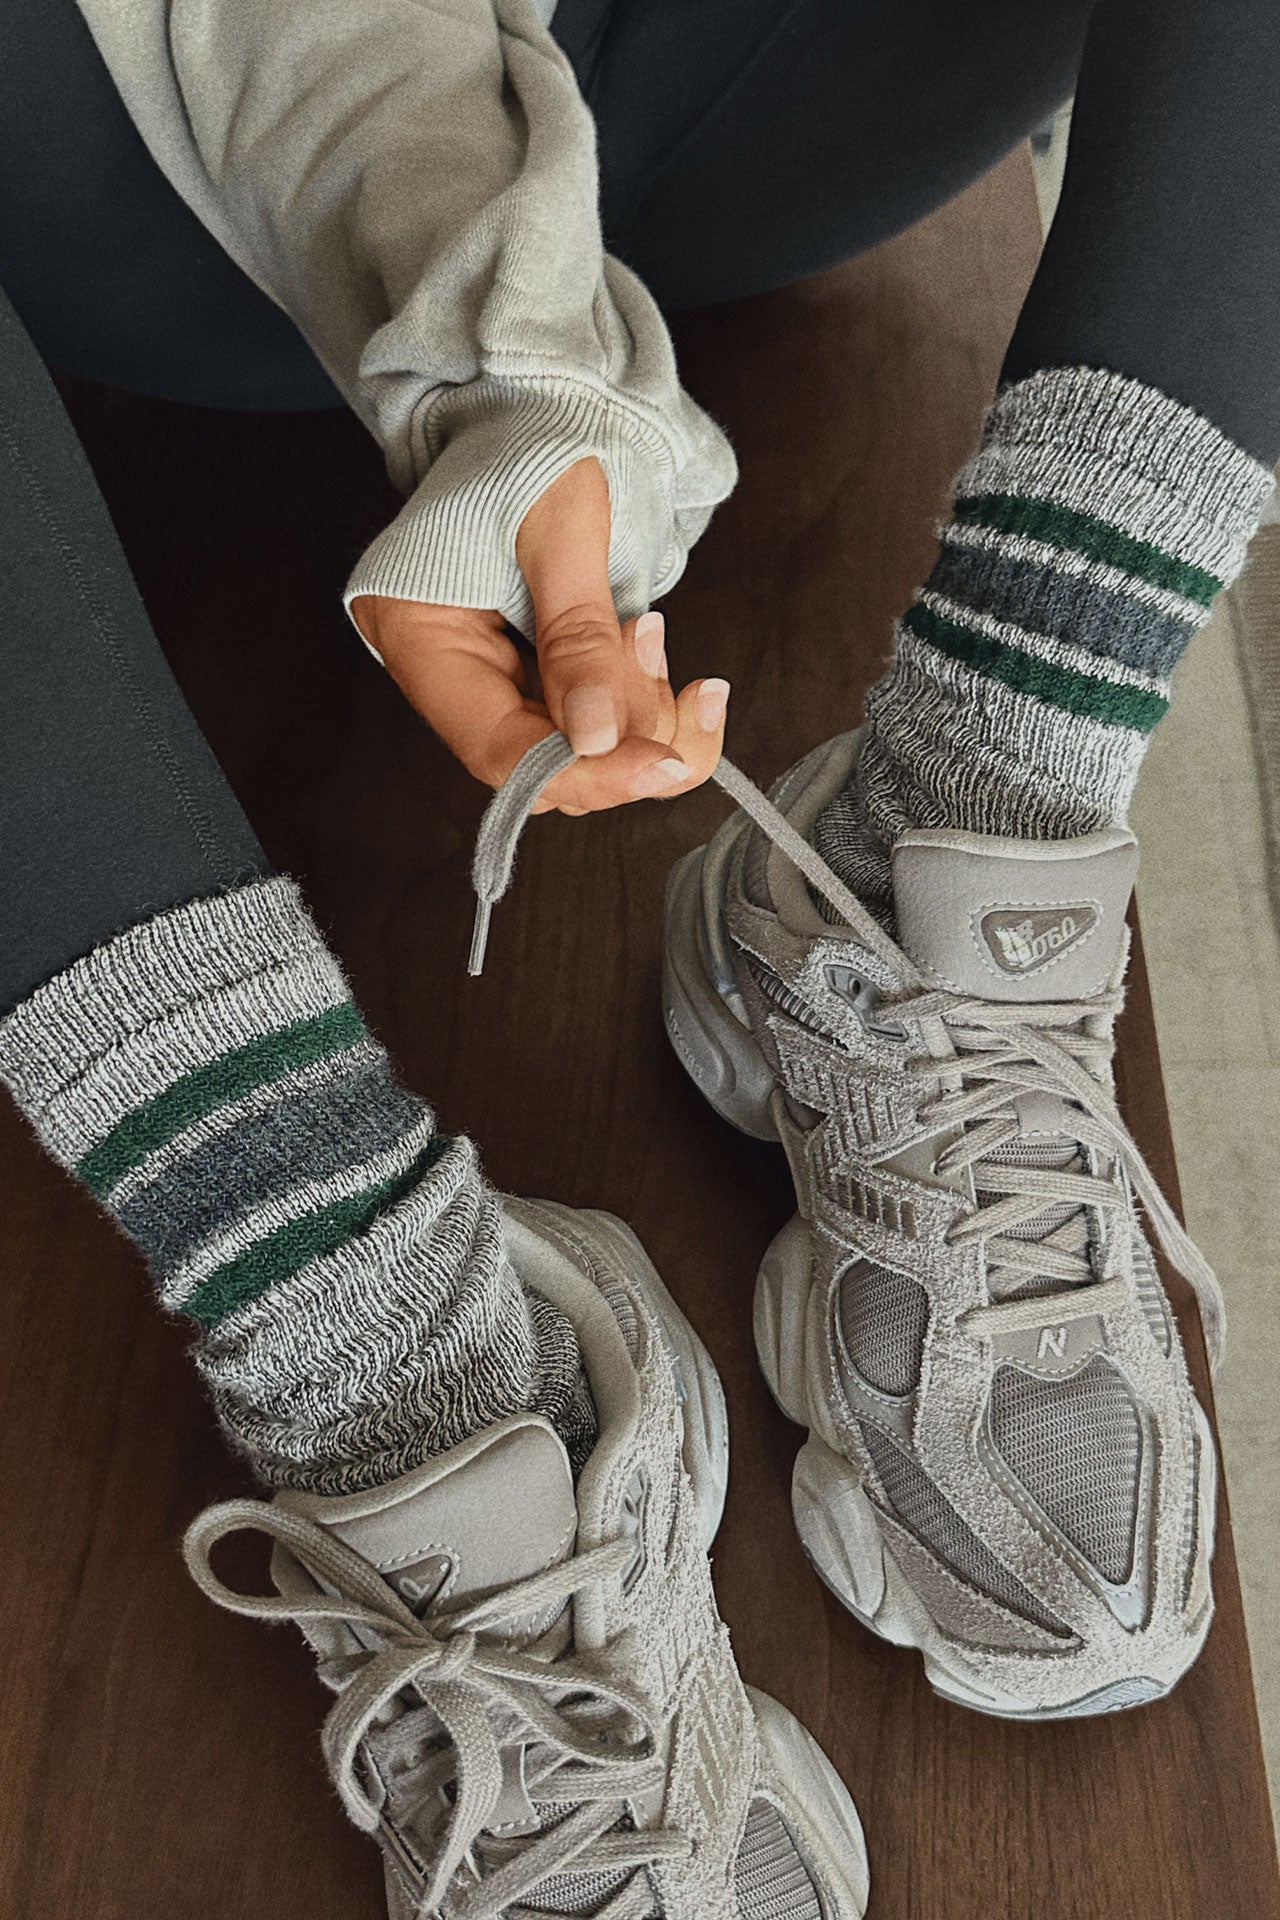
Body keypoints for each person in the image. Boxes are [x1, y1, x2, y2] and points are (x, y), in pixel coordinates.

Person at [1, 0, 1276, 1907]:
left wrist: (525, 371)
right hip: (121, 165)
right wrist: (506, 351)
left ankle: (964, 808)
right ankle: (373, 1326)